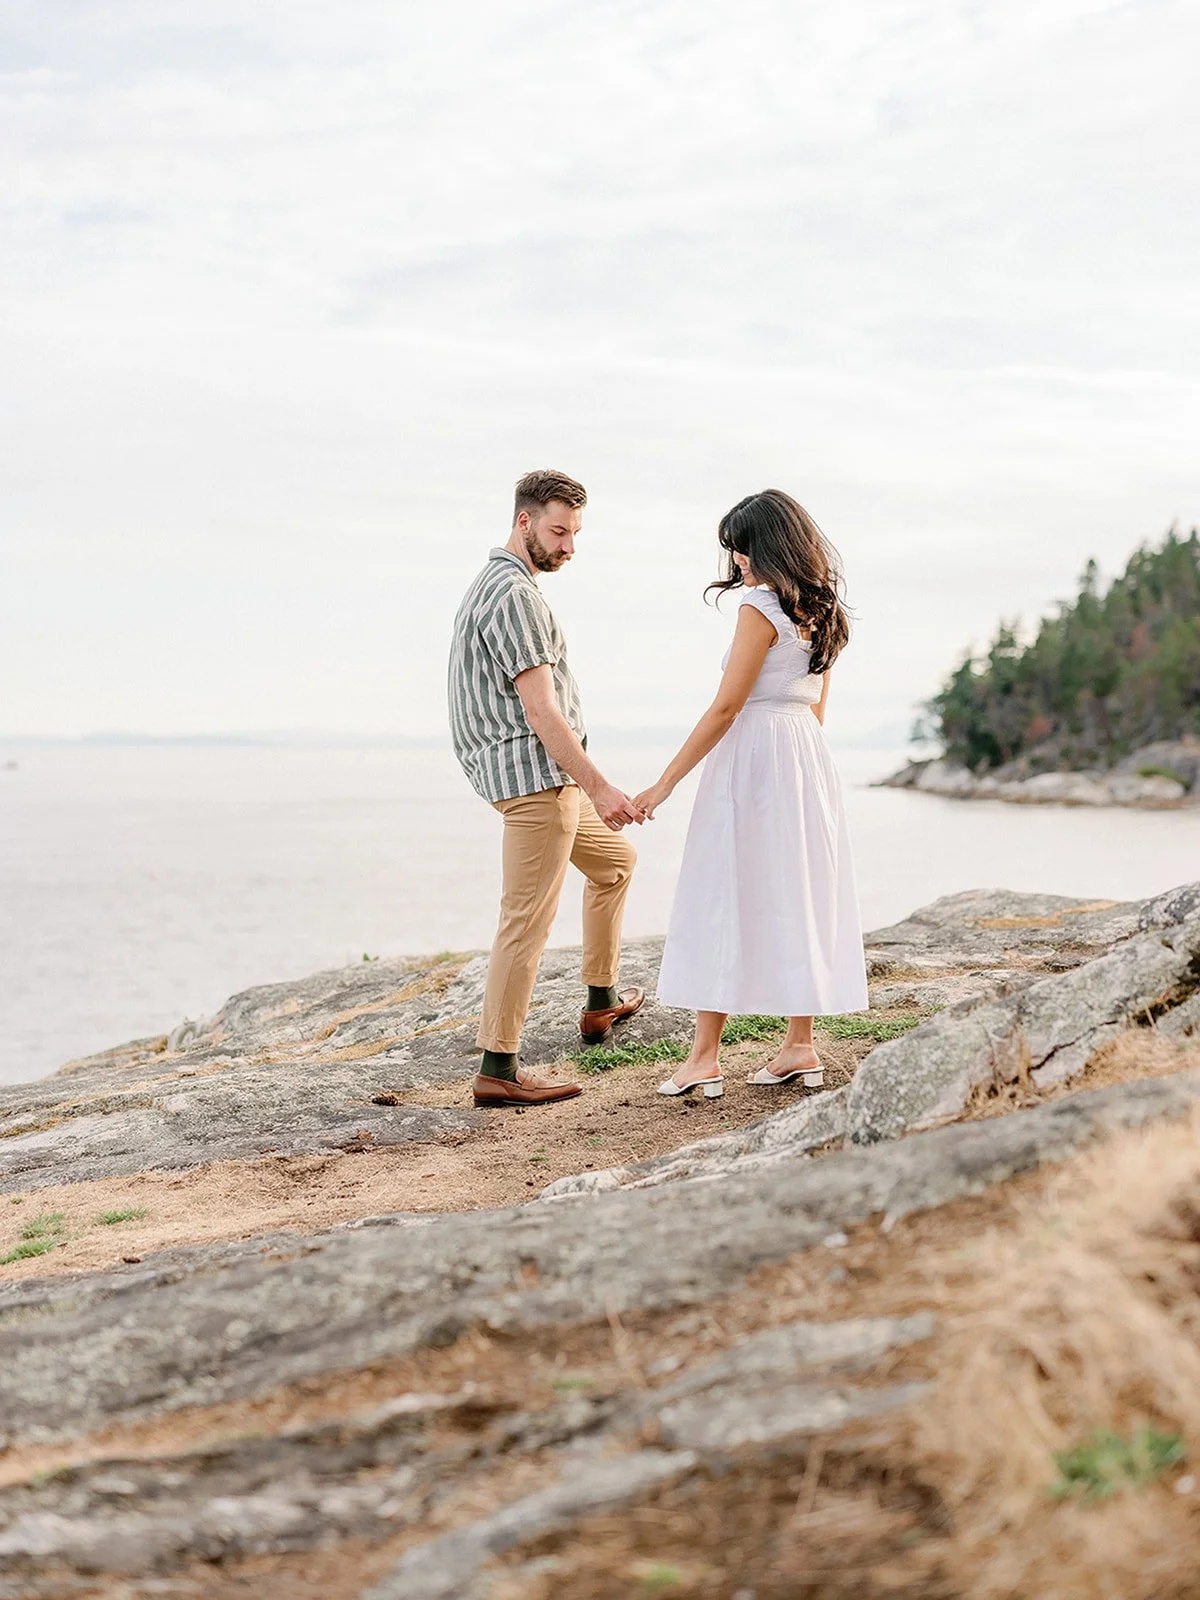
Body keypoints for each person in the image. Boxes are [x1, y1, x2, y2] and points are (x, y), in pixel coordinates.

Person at [633, 489, 869, 1099]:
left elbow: (726, 707)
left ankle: (703, 1058)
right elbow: (817, 708)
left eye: (739, 548)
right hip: (806, 757)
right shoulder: (823, 609)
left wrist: (664, 783)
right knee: (800, 891)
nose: (735, 560)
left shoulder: (759, 607)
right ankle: (799, 1044)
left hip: (754, 757)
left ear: (764, 547)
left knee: (722, 890)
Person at [449, 469, 647, 1109]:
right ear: (524, 521)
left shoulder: (497, 584)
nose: (569, 547)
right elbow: (542, 711)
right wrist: (602, 787)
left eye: (575, 533)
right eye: (559, 531)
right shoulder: (514, 595)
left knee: (615, 864)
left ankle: (601, 1000)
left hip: (543, 780)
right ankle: (498, 1068)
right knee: (526, 922)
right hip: (536, 782)